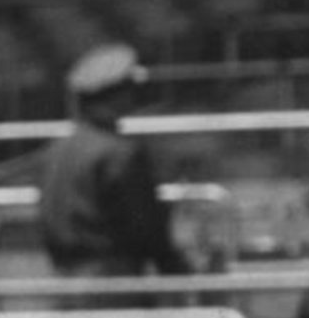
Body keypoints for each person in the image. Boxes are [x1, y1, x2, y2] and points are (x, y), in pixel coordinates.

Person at [37, 41, 194, 279]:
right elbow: (145, 227)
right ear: (120, 95)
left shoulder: (56, 150)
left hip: (64, 279)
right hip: (113, 281)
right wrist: (177, 270)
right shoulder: (120, 153)